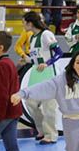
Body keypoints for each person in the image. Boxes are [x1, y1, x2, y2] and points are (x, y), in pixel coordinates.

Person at [20, 11, 61, 144]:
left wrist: (47, 63)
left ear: (30, 23)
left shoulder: (46, 34)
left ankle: (51, 135)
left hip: (48, 74)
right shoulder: (32, 38)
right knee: (31, 102)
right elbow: (35, 58)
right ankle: (41, 130)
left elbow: (59, 52)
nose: (23, 26)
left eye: (24, 23)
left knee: (49, 106)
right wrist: (26, 60)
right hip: (36, 74)